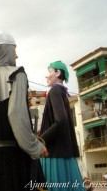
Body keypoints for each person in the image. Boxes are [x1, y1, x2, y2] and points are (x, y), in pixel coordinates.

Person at [0, 30, 48, 191]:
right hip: (15, 157)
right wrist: (36, 147)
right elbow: (16, 115)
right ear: (6, 50)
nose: (16, 55)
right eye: (14, 49)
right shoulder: (17, 75)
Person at [39, 61, 85, 191]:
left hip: (54, 153)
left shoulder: (54, 91)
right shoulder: (62, 92)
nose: (46, 76)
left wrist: (41, 139)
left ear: (58, 73)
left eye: (50, 71)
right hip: (64, 153)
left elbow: (61, 120)